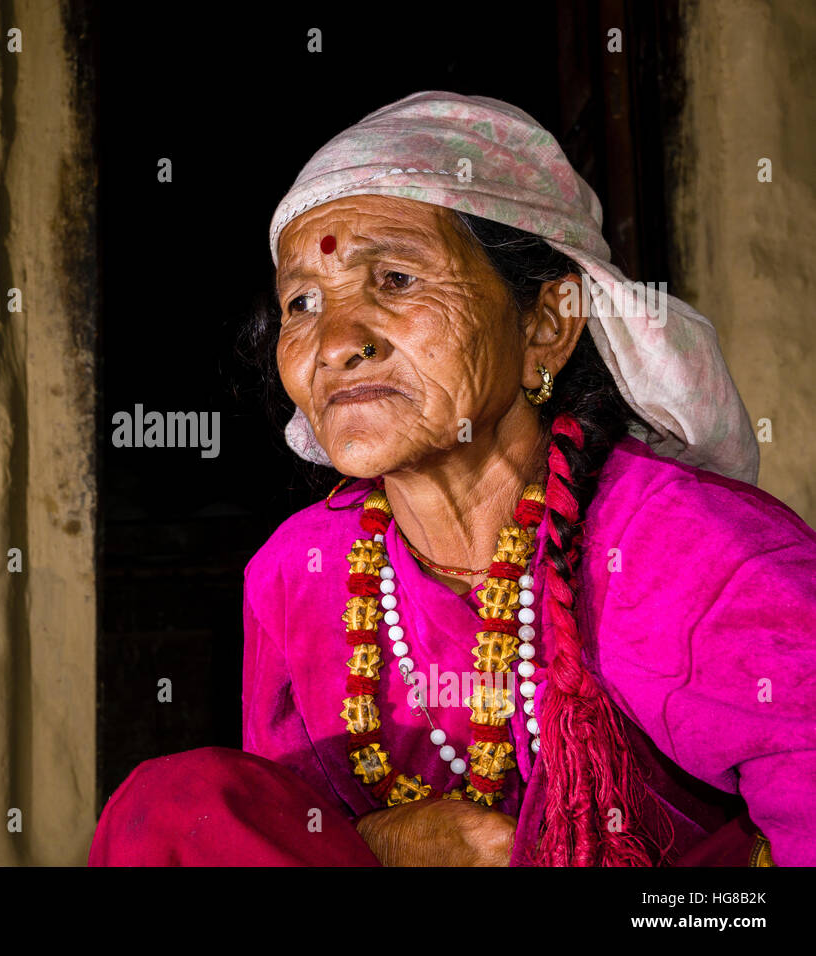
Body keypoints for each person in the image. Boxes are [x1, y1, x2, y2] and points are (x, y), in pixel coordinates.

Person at [88, 91, 814, 866]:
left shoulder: (699, 556)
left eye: (396, 280)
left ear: (545, 325)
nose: (335, 342)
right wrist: (376, 845)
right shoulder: (299, 573)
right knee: (173, 810)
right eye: (302, 302)